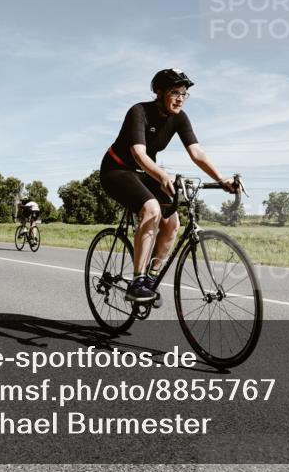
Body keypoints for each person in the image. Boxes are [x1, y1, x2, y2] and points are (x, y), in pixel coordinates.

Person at [100, 69, 237, 303]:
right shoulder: (139, 111)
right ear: (159, 92)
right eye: (175, 92)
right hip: (117, 170)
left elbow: (197, 153)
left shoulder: (180, 118)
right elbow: (138, 154)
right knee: (151, 209)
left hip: (144, 172)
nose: (181, 98)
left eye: (184, 94)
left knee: (172, 223)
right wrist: (163, 177)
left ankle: (151, 279)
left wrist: (221, 178)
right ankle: (137, 281)